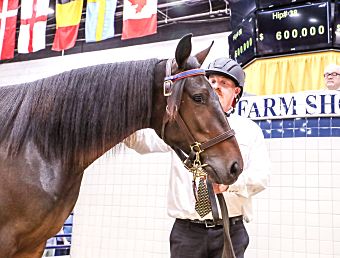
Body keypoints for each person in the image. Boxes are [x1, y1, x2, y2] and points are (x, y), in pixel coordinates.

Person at [124, 57, 270, 258]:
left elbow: (261, 178)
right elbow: (143, 142)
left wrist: (230, 185)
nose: (216, 86)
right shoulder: (184, 122)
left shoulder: (249, 130)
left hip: (230, 230)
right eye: (212, 81)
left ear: (236, 92)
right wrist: (121, 119)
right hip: (187, 233)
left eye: (224, 83)